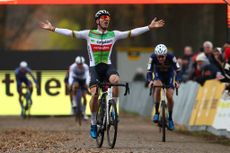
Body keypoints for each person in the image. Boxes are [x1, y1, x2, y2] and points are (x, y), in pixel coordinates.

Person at [40, 9, 165, 139]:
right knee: (94, 95)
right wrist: (53, 29)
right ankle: (93, 123)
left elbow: (131, 33)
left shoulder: (113, 34)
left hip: (107, 67)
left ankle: (113, 111)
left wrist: (149, 27)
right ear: (97, 21)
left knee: (115, 80)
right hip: (94, 68)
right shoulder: (89, 34)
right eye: (104, 17)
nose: (106, 19)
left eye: (108, 18)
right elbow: (71, 33)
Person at [146, 44, 181, 130]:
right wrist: (150, 81)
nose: (161, 59)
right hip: (159, 75)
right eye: (159, 57)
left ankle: (170, 119)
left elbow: (178, 70)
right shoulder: (152, 57)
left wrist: (177, 81)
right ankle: (157, 112)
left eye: (162, 57)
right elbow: (149, 71)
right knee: (157, 87)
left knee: (169, 97)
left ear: (166, 55)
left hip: (169, 75)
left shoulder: (171, 57)